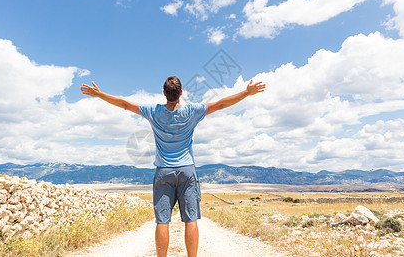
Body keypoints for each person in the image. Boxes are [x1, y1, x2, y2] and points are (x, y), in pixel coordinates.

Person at [80, 76, 266, 257]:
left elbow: (125, 104)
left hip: (163, 171)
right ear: (181, 93)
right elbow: (221, 104)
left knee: (162, 221)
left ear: (164, 93)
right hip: (187, 170)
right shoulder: (192, 111)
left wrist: (100, 94)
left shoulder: (153, 111)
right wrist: (246, 93)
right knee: (190, 219)